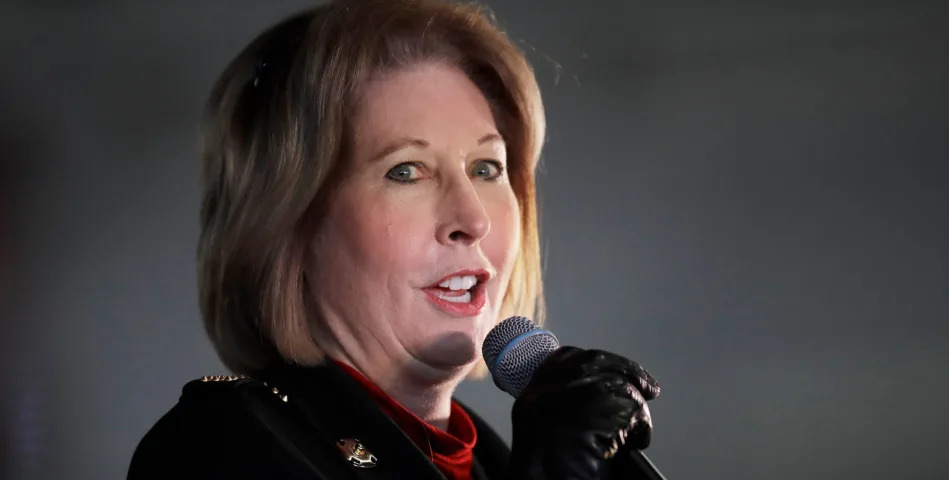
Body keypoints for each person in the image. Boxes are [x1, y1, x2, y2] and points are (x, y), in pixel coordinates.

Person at [127, 0, 659, 478]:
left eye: (487, 167)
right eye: (406, 171)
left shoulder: (488, 463)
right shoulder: (217, 446)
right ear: (288, 227)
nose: (472, 218)